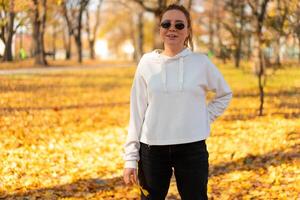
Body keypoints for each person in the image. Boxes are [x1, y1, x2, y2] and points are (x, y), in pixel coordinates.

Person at [123, 4, 232, 200]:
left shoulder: (201, 63)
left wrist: (203, 118)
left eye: (179, 25)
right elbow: (137, 112)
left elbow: (224, 94)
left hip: (192, 148)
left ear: (188, 31)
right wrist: (130, 158)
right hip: (152, 149)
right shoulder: (146, 63)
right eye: (166, 24)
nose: (172, 28)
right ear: (160, 29)